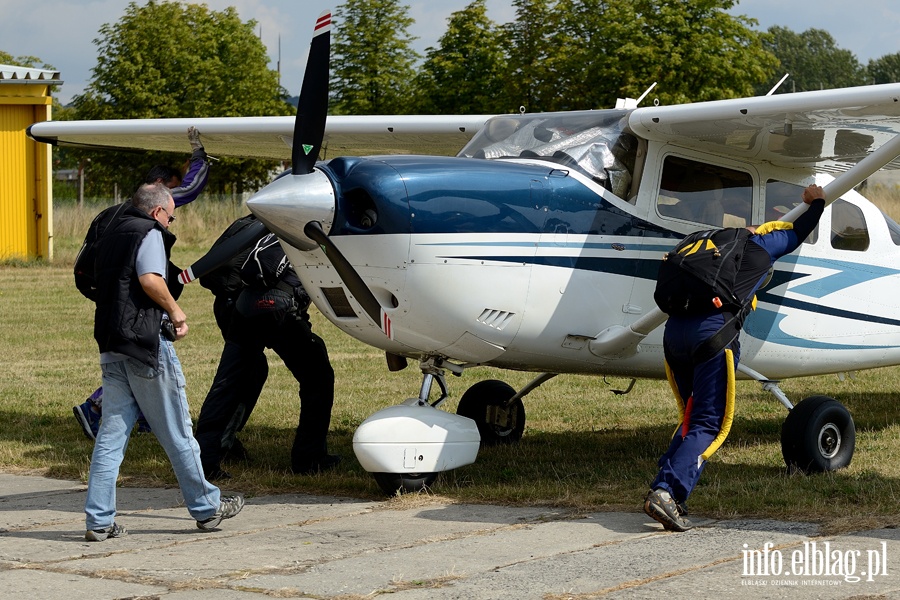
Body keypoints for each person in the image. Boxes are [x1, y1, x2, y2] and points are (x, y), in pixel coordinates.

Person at [644, 183, 826, 532]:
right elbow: (797, 232)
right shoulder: (756, 245)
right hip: (712, 336)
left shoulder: (702, 241)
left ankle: (666, 482)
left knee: (690, 418)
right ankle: (667, 492)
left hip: (673, 336)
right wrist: (816, 203)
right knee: (709, 424)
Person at [84, 182, 243, 541]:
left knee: (111, 436)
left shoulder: (110, 231)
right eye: (170, 217)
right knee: (178, 431)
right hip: (144, 344)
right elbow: (150, 279)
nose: (170, 223)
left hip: (111, 343)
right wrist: (177, 312)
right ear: (157, 213)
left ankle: (99, 519)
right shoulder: (149, 232)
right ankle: (206, 507)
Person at [73, 127, 211, 440]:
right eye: (170, 194)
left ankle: (141, 412)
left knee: (138, 338)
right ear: (159, 187)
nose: (174, 210)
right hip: (111, 281)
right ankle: (96, 408)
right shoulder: (145, 210)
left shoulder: (119, 210)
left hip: (96, 278)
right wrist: (201, 156)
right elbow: (191, 189)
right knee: (146, 338)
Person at [194, 226, 339, 480]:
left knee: (226, 385)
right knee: (318, 377)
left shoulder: (270, 232)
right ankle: (309, 458)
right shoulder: (319, 239)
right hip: (277, 307)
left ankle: (202, 461)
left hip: (244, 306)